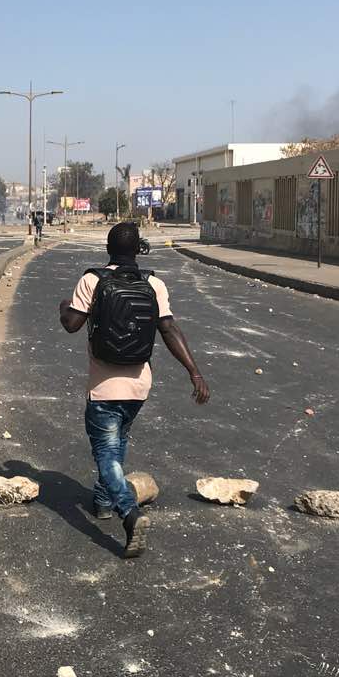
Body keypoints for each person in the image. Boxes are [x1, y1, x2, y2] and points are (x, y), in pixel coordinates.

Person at [58, 221, 209, 558]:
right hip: (139, 385)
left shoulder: (93, 280)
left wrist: (64, 307)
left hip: (105, 385)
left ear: (108, 248)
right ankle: (103, 502)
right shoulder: (154, 283)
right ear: (139, 249)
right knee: (119, 441)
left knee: (106, 452)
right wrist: (195, 373)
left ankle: (128, 513)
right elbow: (169, 329)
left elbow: (72, 325)